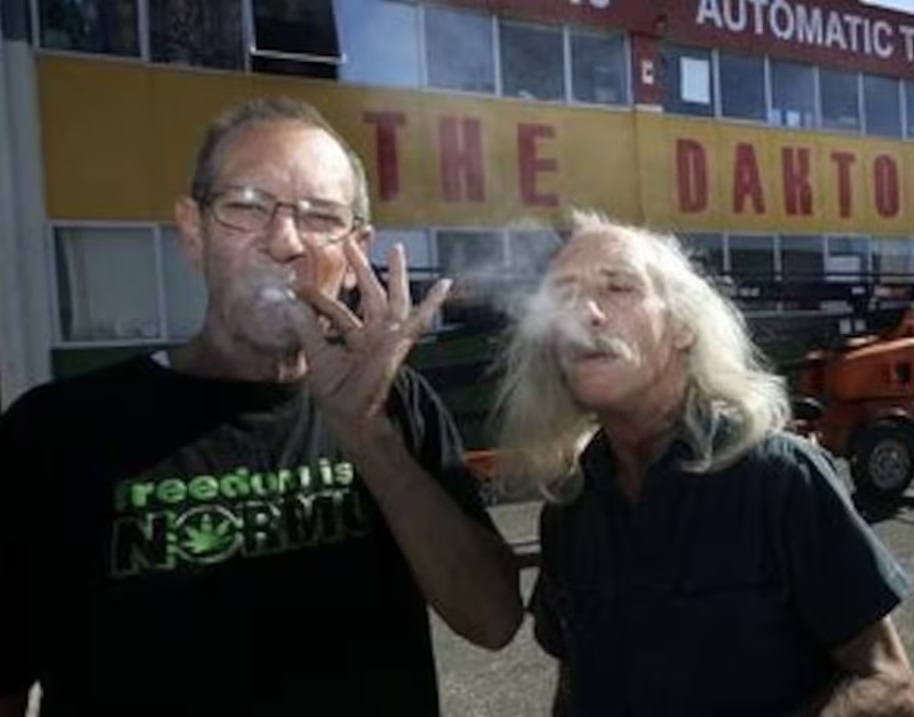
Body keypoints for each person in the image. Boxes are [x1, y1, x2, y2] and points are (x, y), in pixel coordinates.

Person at [0, 97, 523, 716]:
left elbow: (492, 619)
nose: (285, 242)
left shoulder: (396, 402)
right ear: (192, 232)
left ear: (357, 250)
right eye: (245, 208)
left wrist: (368, 438)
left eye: (321, 217)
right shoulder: (58, 430)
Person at [493, 211, 914, 717]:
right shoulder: (569, 507)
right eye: (563, 295)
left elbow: (890, 684)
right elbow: (574, 690)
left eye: (619, 287)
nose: (584, 313)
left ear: (682, 328)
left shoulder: (781, 479)